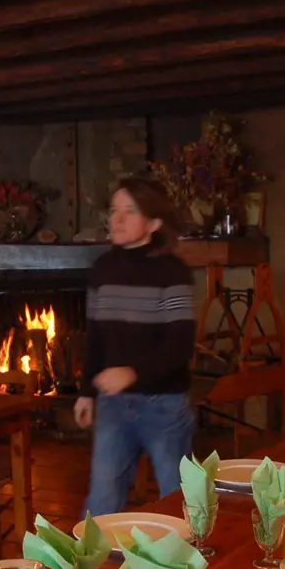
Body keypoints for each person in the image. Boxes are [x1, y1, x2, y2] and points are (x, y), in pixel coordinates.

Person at [75, 177, 196, 516]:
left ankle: (191, 565)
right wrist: (86, 392)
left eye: (131, 211)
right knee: (102, 498)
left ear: (154, 223)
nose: (118, 219)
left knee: (179, 500)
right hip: (113, 405)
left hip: (164, 406)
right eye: (114, 210)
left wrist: (132, 372)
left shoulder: (172, 272)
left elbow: (180, 345)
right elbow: (95, 337)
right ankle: (88, 568)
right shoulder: (102, 270)